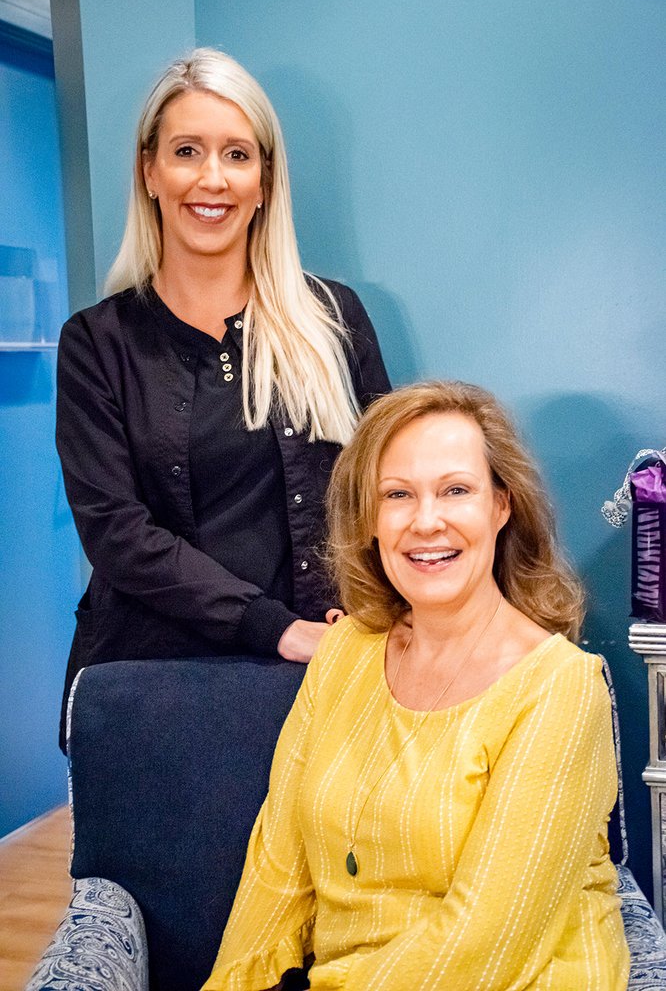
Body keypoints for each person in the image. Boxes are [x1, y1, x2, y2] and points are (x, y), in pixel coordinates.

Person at [203, 381, 629, 990]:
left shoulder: (560, 687)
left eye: (456, 490)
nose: (426, 522)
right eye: (397, 494)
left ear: (501, 506)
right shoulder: (345, 650)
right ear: (370, 520)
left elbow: (485, 939)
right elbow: (279, 861)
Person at [55, 48, 390, 751]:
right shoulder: (97, 343)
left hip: (321, 678)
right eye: (187, 151)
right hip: (157, 690)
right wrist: (275, 627)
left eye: (237, 154)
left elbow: (387, 488)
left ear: (264, 180)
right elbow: (117, 534)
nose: (213, 178)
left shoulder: (334, 318)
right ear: (149, 171)